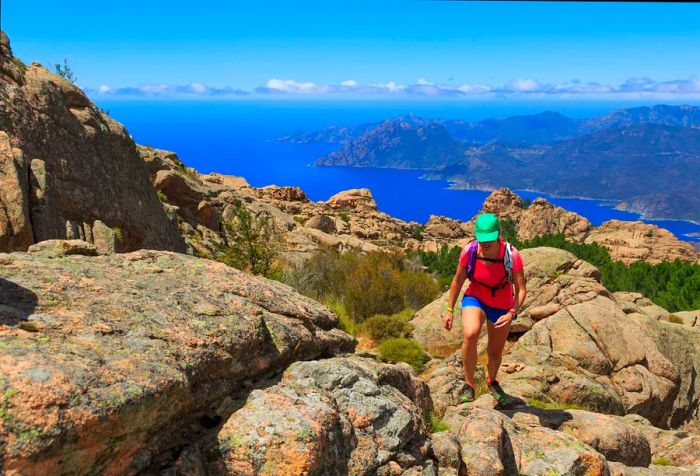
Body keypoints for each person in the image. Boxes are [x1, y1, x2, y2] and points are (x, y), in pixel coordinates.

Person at [442, 212, 527, 406]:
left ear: (498, 235)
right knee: (470, 334)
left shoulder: (511, 255)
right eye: (482, 240)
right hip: (476, 297)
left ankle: (492, 382)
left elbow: (521, 290)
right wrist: (449, 309)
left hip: (502, 306)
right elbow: (457, 281)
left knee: (494, 353)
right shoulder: (470, 251)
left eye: (489, 240)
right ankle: (469, 386)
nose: (485, 244)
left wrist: (512, 312)